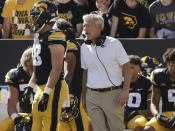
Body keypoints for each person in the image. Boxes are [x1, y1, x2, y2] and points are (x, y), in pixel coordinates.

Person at [81, 13, 132, 131]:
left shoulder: (114, 44)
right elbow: (85, 72)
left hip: (113, 95)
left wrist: (125, 90)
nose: (84, 29)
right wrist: (84, 96)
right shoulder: (84, 46)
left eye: (88, 25)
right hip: (91, 96)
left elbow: (127, 67)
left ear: (99, 27)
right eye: (83, 26)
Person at [23, 1, 69, 131]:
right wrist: (30, 86)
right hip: (41, 87)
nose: (33, 20)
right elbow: (38, 67)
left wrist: (47, 93)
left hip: (53, 87)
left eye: (36, 17)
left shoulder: (55, 36)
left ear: (45, 17)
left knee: (50, 125)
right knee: (36, 124)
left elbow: (57, 68)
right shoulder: (40, 36)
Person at [55, 18, 92, 131]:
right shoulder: (70, 44)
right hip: (72, 92)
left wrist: (60, 94)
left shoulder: (70, 45)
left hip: (73, 93)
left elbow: (68, 74)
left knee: (79, 125)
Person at [0, 47, 34, 131]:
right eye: (27, 65)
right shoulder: (16, 75)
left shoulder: (46, 74)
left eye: (32, 65)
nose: (29, 68)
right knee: (4, 126)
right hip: (25, 114)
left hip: (44, 115)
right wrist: (16, 119)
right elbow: (11, 104)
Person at [144, 48, 175, 131]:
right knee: (148, 129)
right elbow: (154, 102)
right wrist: (157, 115)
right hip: (166, 114)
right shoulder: (159, 75)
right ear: (167, 62)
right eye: (174, 64)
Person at [124, 55, 152, 131]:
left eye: (132, 68)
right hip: (119, 115)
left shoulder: (146, 83)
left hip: (137, 116)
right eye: (126, 68)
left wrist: (134, 113)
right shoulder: (117, 81)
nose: (128, 70)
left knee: (140, 126)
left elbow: (151, 110)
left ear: (139, 69)